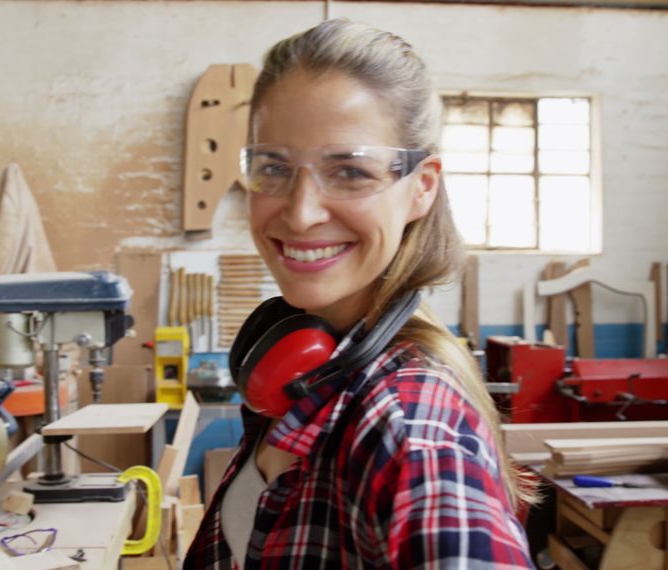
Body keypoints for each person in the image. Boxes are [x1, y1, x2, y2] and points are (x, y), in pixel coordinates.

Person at [184, 19, 535, 569]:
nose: (299, 213)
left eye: (349, 171)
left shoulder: (411, 430)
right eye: (273, 168)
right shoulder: (307, 379)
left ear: (421, 187)